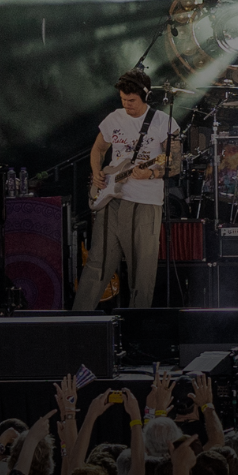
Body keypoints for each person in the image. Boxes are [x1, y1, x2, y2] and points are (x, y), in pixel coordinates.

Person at [74, 70, 180, 311]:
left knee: (141, 271)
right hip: (112, 201)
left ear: (145, 96)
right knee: (97, 264)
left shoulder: (164, 122)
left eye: (131, 100)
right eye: (123, 100)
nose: (126, 105)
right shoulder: (115, 118)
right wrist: (97, 172)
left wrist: (151, 173)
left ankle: (136, 329)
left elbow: (175, 164)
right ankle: (77, 320)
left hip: (145, 204)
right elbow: (98, 149)